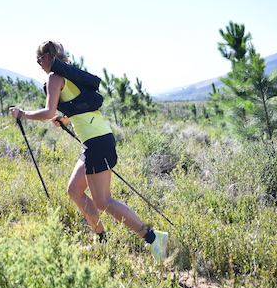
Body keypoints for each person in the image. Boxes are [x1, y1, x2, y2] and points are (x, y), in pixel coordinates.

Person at [9, 40, 168, 262]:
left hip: (97, 141)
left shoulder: (55, 76)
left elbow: (47, 111)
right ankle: (101, 239)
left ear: (47, 57)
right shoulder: (70, 76)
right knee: (74, 190)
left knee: (103, 201)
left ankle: (153, 238)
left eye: (39, 60)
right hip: (95, 140)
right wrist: (65, 117)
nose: (38, 64)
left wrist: (22, 114)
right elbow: (81, 106)